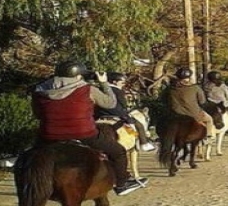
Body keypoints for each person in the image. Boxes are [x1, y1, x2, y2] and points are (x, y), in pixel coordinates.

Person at [30, 61, 149, 196]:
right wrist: (103, 83)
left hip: (49, 134)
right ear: (79, 76)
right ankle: (122, 184)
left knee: (30, 156)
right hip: (83, 133)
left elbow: (38, 114)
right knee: (118, 151)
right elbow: (110, 104)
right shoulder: (87, 89)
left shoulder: (40, 90)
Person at [101, 72, 156, 152]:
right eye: (122, 82)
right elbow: (123, 104)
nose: (123, 84)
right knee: (138, 124)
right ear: (114, 82)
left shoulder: (100, 88)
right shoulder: (118, 91)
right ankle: (144, 143)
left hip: (100, 114)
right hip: (117, 113)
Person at [166, 67, 212, 132]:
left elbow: (165, 101)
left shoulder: (170, 89)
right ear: (189, 77)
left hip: (175, 114)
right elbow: (202, 102)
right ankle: (208, 137)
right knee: (209, 119)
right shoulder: (195, 88)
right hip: (194, 114)